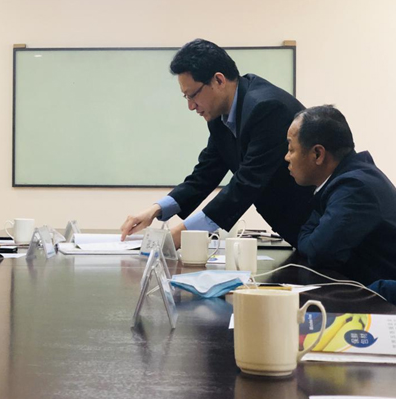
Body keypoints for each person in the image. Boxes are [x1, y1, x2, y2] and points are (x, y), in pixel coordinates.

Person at [120, 39, 313, 247]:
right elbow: (205, 174)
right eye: (185, 97)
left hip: (318, 225)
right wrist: (156, 209)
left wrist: (180, 235)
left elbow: (246, 183)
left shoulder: (266, 108)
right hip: (297, 229)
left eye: (193, 95)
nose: (191, 106)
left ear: (219, 80)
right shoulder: (221, 117)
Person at [285, 105, 396, 310]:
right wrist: (310, 238)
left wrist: (310, 238)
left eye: (291, 149)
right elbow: (311, 239)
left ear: (317, 154)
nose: (287, 157)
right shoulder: (347, 180)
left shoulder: (355, 188)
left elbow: (319, 252)